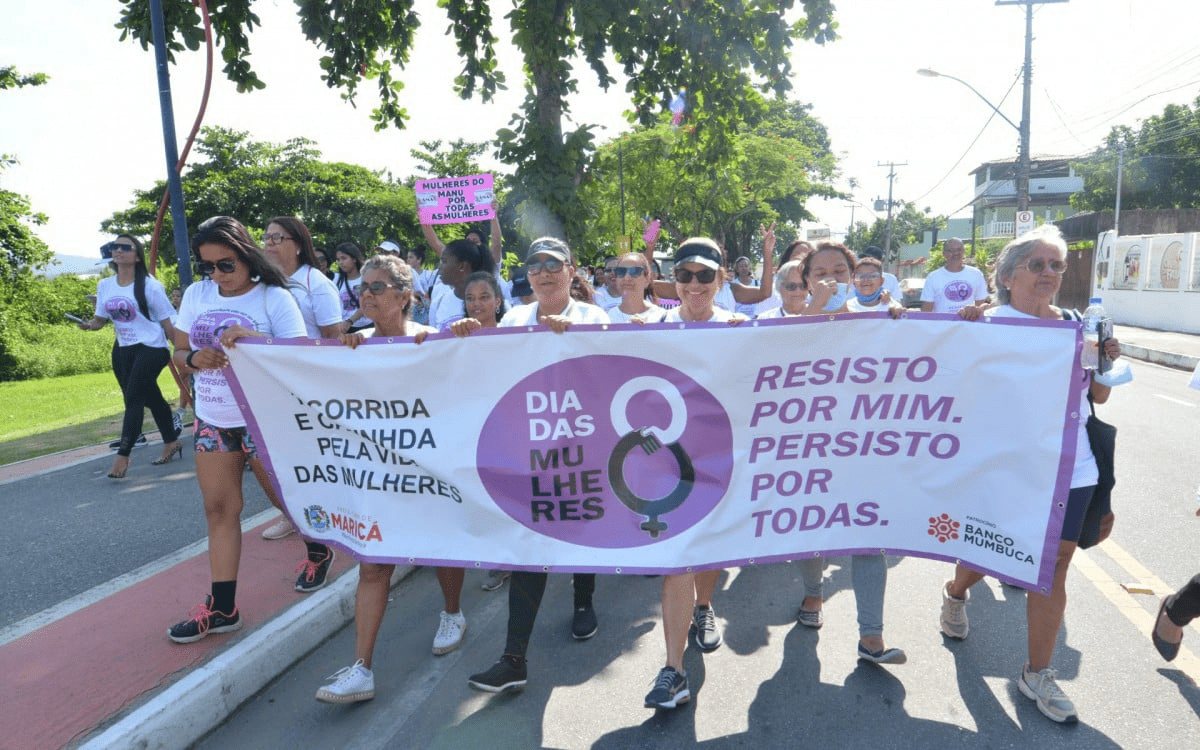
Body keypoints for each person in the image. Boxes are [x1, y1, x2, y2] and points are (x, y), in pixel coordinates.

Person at [939, 225, 1121, 724]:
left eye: (1056, 265)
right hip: (1004, 467)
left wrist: (1105, 361)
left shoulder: (1078, 326)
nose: (1048, 273)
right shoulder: (983, 324)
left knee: (1055, 564)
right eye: (1037, 264)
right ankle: (956, 594)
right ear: (1007, 274)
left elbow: (1097, 398)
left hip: (1072, 463)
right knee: (988, 549)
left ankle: (1037, 672)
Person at [167, 216, 337, 644]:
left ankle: (318, 549)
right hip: (213, 416)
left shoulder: (275, 298)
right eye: (207, 267)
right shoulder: (197, 294)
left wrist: (254, 341)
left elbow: (298, 359)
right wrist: (193, 361)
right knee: (220, 510)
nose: (216, 275)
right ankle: (223, 607)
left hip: (263, 417)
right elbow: (181, 348)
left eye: (226, 264)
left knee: (285, 498)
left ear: (245, 254)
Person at [315, 255, 471, 703]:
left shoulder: (432, 340)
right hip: (378, 477)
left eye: (377, 287)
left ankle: (453, 612)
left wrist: (461, 339)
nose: (365, 295)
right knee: (374, 562)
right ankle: (362, 668)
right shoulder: (352, 347)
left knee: (441, 547)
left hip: (430, 472)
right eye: (362, 288)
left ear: (405, 297)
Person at [458, 237, 609, 694]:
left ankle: (584, 602)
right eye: (535, 265)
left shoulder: (594, 317)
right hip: (535, 449)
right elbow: (495, 373)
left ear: (570, 270)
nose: (543, 272)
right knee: (532, 544)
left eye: (553, 264)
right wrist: (469, 338)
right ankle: (513, 658)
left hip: (584, 446)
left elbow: (606, 370)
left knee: (583, 529)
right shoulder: (517, 319)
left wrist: (576, 339)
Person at [641, 234, 763, 710]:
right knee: (677, 560)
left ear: (721, 279)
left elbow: (812, 338)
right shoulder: (650, 328)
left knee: (709, 554)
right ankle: (674, 670)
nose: (694, 284)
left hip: (724, 463)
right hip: (669, 466)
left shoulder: (743, 328)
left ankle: (705, 607)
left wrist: (888, 320)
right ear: (674, 280)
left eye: (705, 275)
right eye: (685, 275)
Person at [260, 216, 345, 541]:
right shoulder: (263, 285)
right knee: (283, 458)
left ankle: (326, 520)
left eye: (277, 238)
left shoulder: (316, 283)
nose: (268, 243)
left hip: (310, 388)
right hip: (274, 385)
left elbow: (333, 338)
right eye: (266, 237)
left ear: (297, 244)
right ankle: (293, 515)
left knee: (317, 457)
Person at [81, 235, 182, 478]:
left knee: (134, 398)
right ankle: (171, 441)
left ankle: (123, 456)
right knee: (150, 397)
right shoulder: (105, 285)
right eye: (115, 247)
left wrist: (182, 354)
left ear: (137, 255)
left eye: (125, 247)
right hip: (123, 349)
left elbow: (168, 324)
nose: (118, 251)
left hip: (152, 347)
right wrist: (89, 326)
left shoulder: (150, 286)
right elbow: (100, 320)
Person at [428, 239, 497, 332]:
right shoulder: (439, 302)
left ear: (461, 266)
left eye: (444, 261)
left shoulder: (493, 302)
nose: (440, 267)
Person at [920, 238, 988, 315]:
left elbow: (980, 306)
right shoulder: (933, 277)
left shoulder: (976, 274)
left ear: (963, 252)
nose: (955, 253)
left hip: (969, 325)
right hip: (943, 326)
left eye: (959, 249)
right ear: (944, 254)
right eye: (950, 250)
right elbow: (926, 310)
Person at [606, 252, 666, 324]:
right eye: (621, 271)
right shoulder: (607, 319)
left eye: (635, 271)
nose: (627, 277)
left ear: (647, 280)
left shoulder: (662, 317)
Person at [334, 241, 371, 332]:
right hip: (346, 329)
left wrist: (350, 321)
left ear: (354, 259)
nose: (341, 263)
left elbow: (368, 304)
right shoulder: (337, 281)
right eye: (338, 260)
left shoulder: (366, 278)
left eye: (344, 258)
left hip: (368, 326)